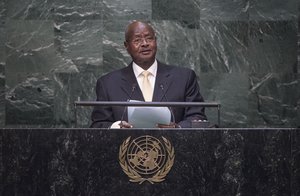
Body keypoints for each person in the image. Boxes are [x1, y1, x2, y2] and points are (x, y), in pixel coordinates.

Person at [90, 21, 207, 128]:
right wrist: (116, 127)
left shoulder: (184, 77)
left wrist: (177, 128)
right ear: (126, 46)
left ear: (155, 41)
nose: (144, 44)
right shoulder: (108, 83)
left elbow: (197, 118)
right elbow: (98, 125)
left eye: (149, 38)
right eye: (137, 40)